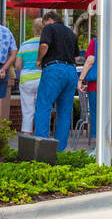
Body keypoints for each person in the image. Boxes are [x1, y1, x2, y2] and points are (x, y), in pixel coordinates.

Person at [33, 10, 79, 150]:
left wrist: (39, 60)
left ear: (49, 20)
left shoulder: (49, 28)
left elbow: (44, 45)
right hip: (71, 71)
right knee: (64, 112)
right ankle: (60, 149)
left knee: (43, 106)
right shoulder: (71, 33)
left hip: (54, 69)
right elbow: (77, 58)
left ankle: (42, 147)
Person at [78, 30, 112, 152]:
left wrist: (81, 79)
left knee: (96, 114)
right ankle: (110, 148)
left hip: (97, 84)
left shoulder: (95, 42)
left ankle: (99, 148)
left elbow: (90, 61)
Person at [16, 32, 43, 133]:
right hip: (42, 79)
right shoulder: (47, 44)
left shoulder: (24, 44)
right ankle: (40, 133)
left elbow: (18, 65)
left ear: (34, 30)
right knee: (41, 107)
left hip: (26, 79)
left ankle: (26, 133)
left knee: (27, 109)